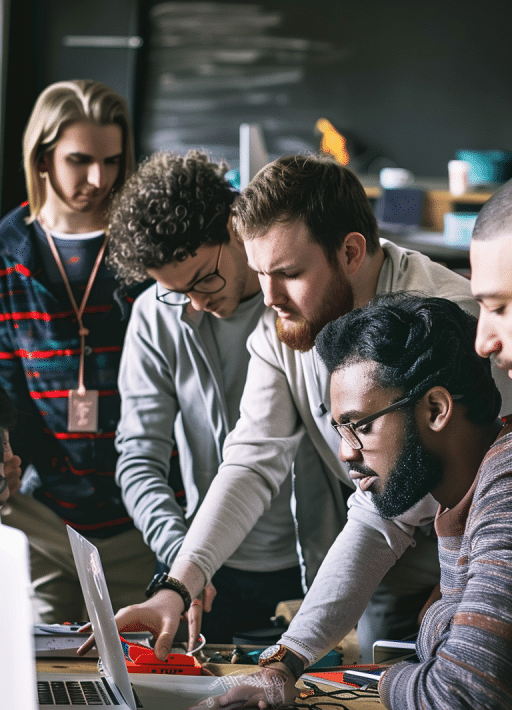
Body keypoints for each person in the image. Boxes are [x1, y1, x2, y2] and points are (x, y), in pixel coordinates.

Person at [96, 154, 512, 666]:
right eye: (260, 274)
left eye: (289, 273)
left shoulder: (449, 321)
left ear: (352, 252)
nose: (270, 298)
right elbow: (251, 460)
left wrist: (290, 657)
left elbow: (384, 516)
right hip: (383, 550)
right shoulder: (282, 326)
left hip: (482, 554)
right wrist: (177, 587)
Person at [288, 177, 512, 710]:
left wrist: (390, 672)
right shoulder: (467, 496)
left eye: (502, 306)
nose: (486, 338)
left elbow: (464, 702)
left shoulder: (505, 476)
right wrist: (438, 631)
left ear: (437, 410)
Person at [108, 150, 328, 644]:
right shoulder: (154, 316)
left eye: (205, 278)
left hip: (321, 559)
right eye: (176, 291)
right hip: (208, 570)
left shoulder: (302, 298)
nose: (197, 303)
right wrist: (182, 559)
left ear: (235, 227)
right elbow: (138, 457)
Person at [0, 79, 155, 622]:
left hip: (143, 515)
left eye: (112, 161)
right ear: (42, 157)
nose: (99, 179)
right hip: (44, 516)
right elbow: (4, 385)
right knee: (48, 672)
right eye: (79, 160)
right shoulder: (7, 251)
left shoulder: (147, 246)